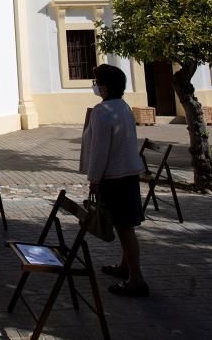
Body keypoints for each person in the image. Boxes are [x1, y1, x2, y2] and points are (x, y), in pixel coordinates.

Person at [80, 63, 149, 297]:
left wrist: (93, 179)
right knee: (125, 226)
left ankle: (136, 279)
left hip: (114, 177)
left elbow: (100, 150)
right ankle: (125, 267)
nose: (94, 86)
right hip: (129, 173)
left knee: (124, 228)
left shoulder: (103, 111)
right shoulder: (123, 107)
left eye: (97, 82)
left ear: (105, 87)